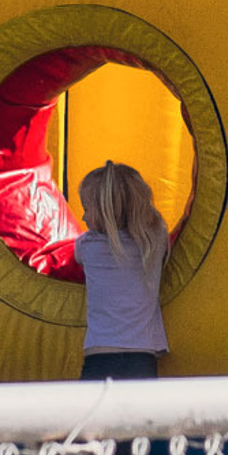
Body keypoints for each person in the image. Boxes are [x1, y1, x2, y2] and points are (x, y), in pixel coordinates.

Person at [74, 160, 172, 380]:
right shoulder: (153, 243)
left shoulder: (87, 247)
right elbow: (157, 223)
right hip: (141, 358)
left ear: (105, 213)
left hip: (99, 357)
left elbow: (75, 258)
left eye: (87, 210)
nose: (83, 217)